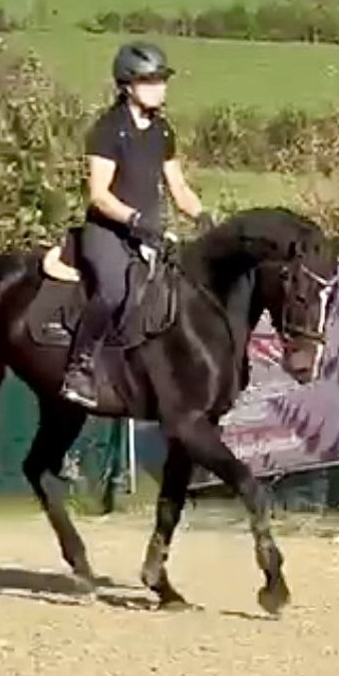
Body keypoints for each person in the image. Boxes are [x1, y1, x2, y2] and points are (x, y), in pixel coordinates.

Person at [60, 41, 213, 409]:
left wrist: (205, 217)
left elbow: (177, 187)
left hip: (149, 232)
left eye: (162, 80)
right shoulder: (108, 129)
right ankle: (78, 368)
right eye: (150, 81)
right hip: (108, 232)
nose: (160, 87)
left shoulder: (162, 131)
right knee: (114, 290)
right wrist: (136, 220)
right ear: (127, 86)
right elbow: (98, 194)